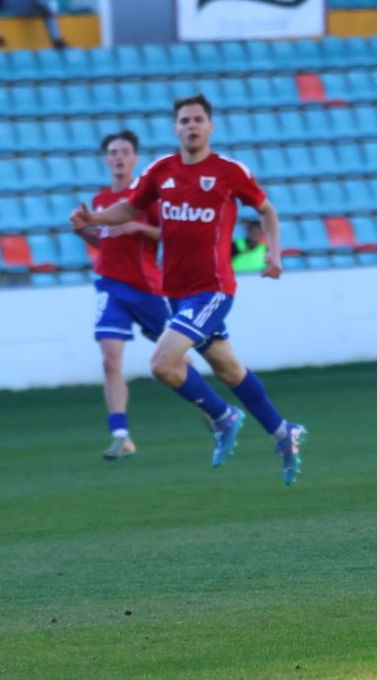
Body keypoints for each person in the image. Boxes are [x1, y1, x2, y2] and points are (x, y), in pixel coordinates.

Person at [70, 94, 308, 485]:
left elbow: (265, 210)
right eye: (184, 120)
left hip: (213, 289)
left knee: (162, 364)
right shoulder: (161, 171)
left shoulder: (229, 172)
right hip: (175, 291)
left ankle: (222, 416)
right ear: (175, 128)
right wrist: (93, 218)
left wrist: (274, 254)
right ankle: (284, 432)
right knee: (230, 370)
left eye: (198, 119)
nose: (191, 126)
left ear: (210, 126)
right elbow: (130, 208)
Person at [78, 130, 166, 461]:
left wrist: (139, 227)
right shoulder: (100, 200)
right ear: (106, 159)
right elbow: (106, 244)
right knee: (110, 360)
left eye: (124, 151)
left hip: (147, 288)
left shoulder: (147, 197)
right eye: (113, 152)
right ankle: (121, 434)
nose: (118, 156)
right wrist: (83, 231)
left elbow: (170, 233)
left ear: (135, 158)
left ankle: (214, 413)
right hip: (110, 286)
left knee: (173, 363)